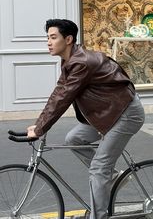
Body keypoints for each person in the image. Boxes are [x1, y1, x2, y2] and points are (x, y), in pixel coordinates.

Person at [27, 19, 145, 219]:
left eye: (53, 37)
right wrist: (39, 125)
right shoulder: (69, 61)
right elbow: (58, 94)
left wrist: (40, 129)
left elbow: (64, 98)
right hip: (108, 112)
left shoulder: (81, 62)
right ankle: (113, 176)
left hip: (125, 113)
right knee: (74, 139)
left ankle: (99, 215)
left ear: (69, 39)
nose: (48, 42)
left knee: (99, 168)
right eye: (47, 37)